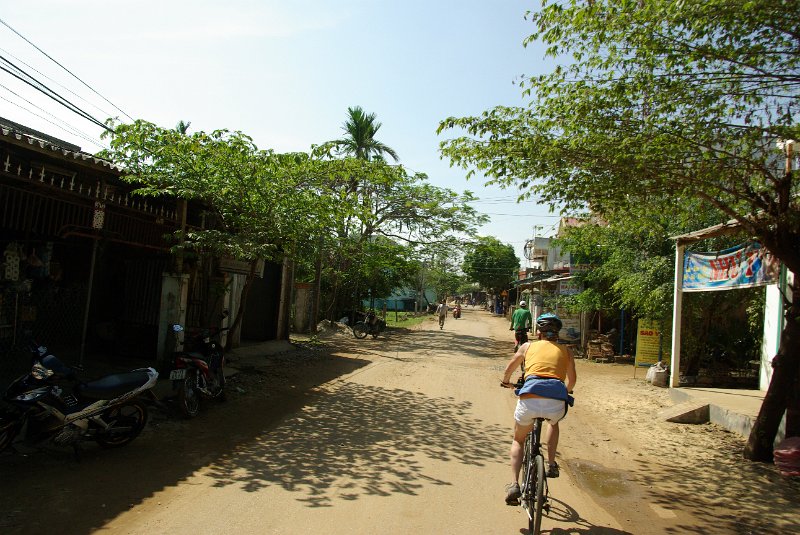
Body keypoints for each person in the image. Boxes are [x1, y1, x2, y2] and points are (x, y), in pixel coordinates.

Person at [501, 312, 576, 505]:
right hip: (555, 402)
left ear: (538, 332)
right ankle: (551, 464)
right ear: (557, 333)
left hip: (529, 399)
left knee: (518, 440)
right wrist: (563, 393)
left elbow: (510, 368)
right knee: (554, 423)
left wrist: (506, 381)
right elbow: (572, 380)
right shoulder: (566, 351)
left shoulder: (527, 346)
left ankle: (514, 484)